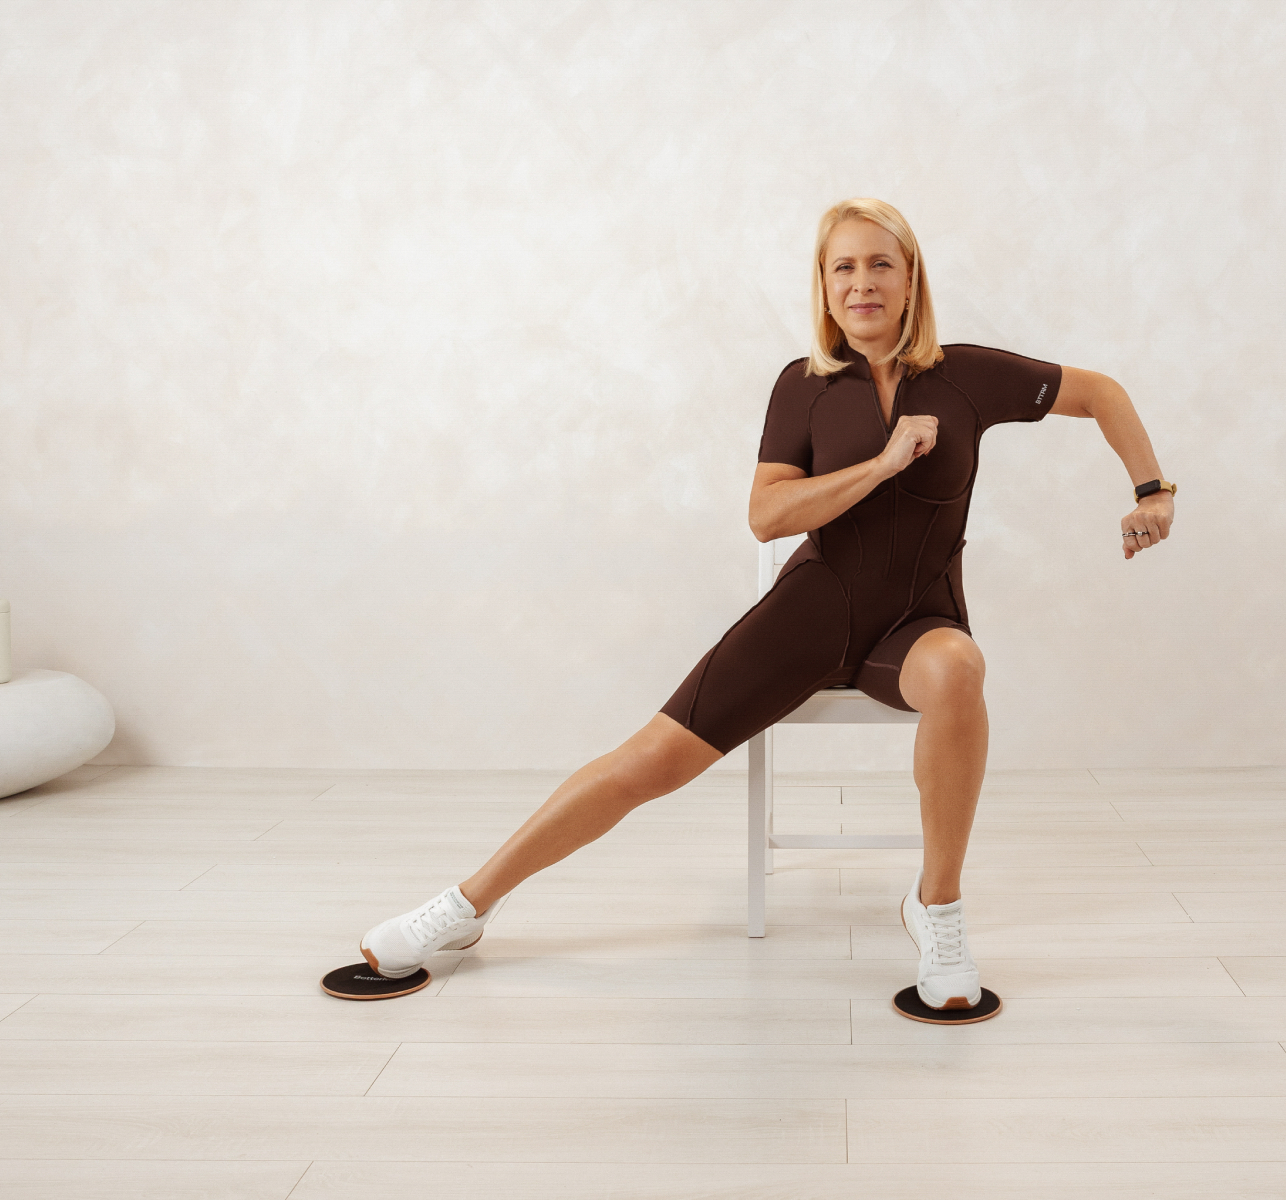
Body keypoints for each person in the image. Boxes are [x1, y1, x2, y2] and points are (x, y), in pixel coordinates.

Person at [354, 197, 1174, 1012]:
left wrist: (1150, 489)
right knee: (649, 763)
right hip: (810, 617)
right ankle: (466, 907)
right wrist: (885, 465)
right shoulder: (805, 388)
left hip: (917, 625)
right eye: (843, 268)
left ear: (911, 277)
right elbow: (768, 516)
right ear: (822, 288)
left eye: (880, 264)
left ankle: (938, 908)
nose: (862, 284)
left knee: (961, 667)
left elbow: (1099, 392)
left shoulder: (967, 376)